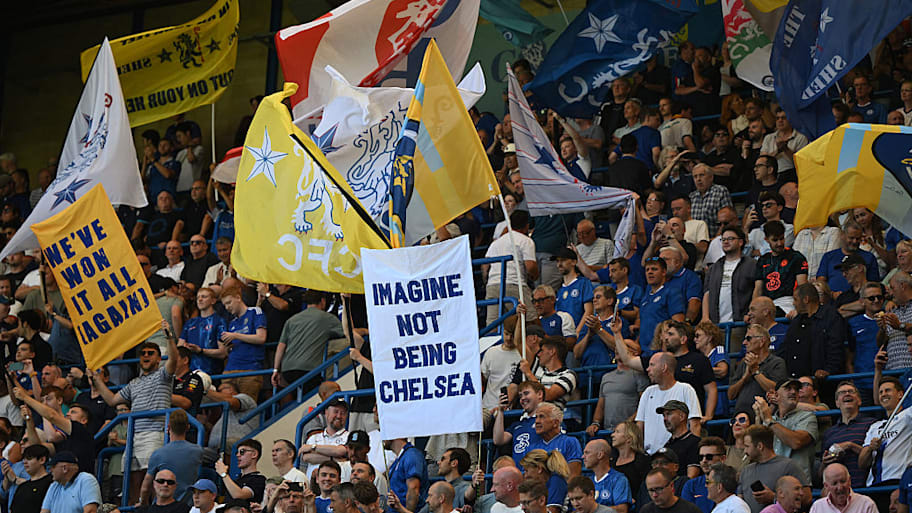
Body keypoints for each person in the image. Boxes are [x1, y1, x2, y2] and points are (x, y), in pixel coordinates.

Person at [88, 320, 179, 505]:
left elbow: (174, 360)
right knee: (132, 481)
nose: (146, 356)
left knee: (152, 479)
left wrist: (169, 336)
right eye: (143, 353)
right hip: (133, 436)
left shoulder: (163, 375)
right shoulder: (133, 383)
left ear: (158, 358)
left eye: (150, 353)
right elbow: (113, 400)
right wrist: (97, 379)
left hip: (154, 432)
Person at [273, 290, 346, 394]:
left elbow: (281, 346)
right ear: (322, 301)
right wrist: (366, 331)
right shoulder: (327, 318)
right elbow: (348, 333)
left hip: (287, 370)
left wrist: (276, 370)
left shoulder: (292, 320)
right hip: (310, 370)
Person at [633, 352, 702, 454]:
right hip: (650, 456)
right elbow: (639, 426)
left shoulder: (686, 389)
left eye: (652, 365)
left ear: (664, 367)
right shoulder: (648, 392)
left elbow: (695, 425)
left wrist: (693, 453)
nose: (648, 369)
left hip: (678, 454)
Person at [751, 379, 817, 484]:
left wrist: (769, 421)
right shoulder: (770, 420)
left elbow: (796, 442)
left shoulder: (807, 416)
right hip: (771, 482)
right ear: (776, 395)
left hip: (797, 485)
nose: (793, 392)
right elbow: (755, 452)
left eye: (796, 389)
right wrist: (758, 419)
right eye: (788, 388)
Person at [781, 283, 847, 379]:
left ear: (806, 299)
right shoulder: (797, 321)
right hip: (796, 381)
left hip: (821, 382)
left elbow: (835, 347)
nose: (793, 304)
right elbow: (786, 347)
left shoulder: (831, 317)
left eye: (795, 299)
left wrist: (828, 370)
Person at [483, 210, 538, 325]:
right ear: (527, 225)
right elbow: (530, 266)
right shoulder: (525, 241)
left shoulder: (496, 242)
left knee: (493, 327)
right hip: (514, 284)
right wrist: (534, 276)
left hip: (492, 285)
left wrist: (487, 281)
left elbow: (485, 266)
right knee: (530, 322)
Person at [738, 426, 808, 513]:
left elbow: (807, 499)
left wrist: (774, 498)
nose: (745, 451)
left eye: (747, 446)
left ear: (760, 446)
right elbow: (739, 501)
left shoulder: (789, 466)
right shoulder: (745, 471)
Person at [140, 410, 203, 506]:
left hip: (162, 507)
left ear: (168, 428)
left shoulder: (158, 454)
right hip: (188, 506)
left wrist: (143, 504)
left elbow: (146, 487)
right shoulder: (198, 451)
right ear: (188, 427)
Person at [821, 382, 876, 489]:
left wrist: (850, 445)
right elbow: (821, 473)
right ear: (837, 403)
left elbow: (878, 457)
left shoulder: (872, 425)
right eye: (842, 392)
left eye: (851, 391)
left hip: (865, 488)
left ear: (859, 401)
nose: (847, 394)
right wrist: (825, 462)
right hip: (838, 491)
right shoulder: (829, 433)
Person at [859, 377, 912, 486]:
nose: (883, 394)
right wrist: (870, 448)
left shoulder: (907, 416)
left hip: (898, 483)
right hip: (874, 485)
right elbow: (862, 463)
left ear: (900, 395)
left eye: (888, 390)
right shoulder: (874, 426)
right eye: (881, 392)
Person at [219, 285, 267, 400]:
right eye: (224, 304)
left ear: (238, 297)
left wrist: (235, 335)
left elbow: (261, 338)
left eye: (229, 302)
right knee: (227, 407)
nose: (227, 307)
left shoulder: (255, 312)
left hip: (249, 369)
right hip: (230, 370)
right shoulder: (232, 323)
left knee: (247, 406)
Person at [729, 325, 789, 415]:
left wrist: (755, 372)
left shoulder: (777, 362)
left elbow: (777, 390)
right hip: (741, 416)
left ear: (762, 341)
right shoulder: (744, 363)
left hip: (764, 416)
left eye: (748, 338)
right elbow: (730, 395)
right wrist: (744, 379)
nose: (744, 342)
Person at [753, 221, 808, 315]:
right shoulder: (763, 260)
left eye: (781, 239)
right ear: (766, 240)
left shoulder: (796, 257)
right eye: (775, 240)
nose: (779, 243)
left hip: (789, 303)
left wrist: (800, 308)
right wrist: (752, 311)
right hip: (767, 304)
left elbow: (802, 286)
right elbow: (758, 289)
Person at [703, 227, 756, 325]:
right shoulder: (714, 268)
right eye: (723, 239)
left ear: (740, 242)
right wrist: (705, 317)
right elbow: (707, 293)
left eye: (730, 239)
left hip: (741, 322)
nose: (726, 242)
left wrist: (751, 313)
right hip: (715, 324)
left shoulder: (752, 264)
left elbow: (757, 290)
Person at [817, 222, 880, 294]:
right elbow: (821, 281)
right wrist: (832, 294)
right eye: (851, 238)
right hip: (832, 300)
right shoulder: (828, 256)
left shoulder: (869, 257)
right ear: (842, 235)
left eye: (858, 238)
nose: (854, 241)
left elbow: (874, 284)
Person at [637, 258, 685, 352]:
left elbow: (678, 323)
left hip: (662, 350)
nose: (650, 272)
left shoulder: (671, 292)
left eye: (654, 269)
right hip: (644, 351)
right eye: (647, 270)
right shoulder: (645, 297)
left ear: (663, 272)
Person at [177, 287, 227, 375]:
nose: (200, 299)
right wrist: (185, 347)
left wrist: (201, 351)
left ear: (213, 301)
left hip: (211, 373)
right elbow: (180, 347)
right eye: (198, 297)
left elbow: (223, 353)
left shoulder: (219, 321)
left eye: (204, 297)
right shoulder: (190, 323)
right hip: (190, 374)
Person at [494, 380, 545, 465]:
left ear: (539, 394)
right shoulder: (517, 424)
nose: (523, 398)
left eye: (526, 393)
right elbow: (498, 440)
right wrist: (501, 411)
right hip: (519, 474)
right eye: (520, 396)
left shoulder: (549, 420)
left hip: (538, 472)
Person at [527, 402, 583, 476]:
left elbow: (574, 475)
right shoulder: (531, 448)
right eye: (536, 417)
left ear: (555, 423)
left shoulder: (570, 442)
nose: (537, 421)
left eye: (542, 417)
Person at [301, 397, 350, 477]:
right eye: (336, 412)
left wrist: (313, 448)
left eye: (343, 413)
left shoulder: (349, 437)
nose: (339, 416)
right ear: (326, 412)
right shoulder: (313, 438)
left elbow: (340, 451)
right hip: (313, 487)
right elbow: (307, 457)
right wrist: (334, 459)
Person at [582, 439, 630, 513]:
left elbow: (622, 510)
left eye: (587, 453)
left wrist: (593, 509)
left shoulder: (618, 479)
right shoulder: (587, 481)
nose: (583, 457)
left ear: (600, 455)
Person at [215, 439, 266, 508]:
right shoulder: (236, 480)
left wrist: (223, 474)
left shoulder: (259, 479)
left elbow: (239, 495)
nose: (238, 455)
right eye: (237, 452)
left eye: (242, 452)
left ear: (254, 454)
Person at [681, 438, 727, 513]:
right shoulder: (691, 485)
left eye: (709, 457)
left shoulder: (732, 483)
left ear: (723, 458)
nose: (704, 461)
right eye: (701, 457)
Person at [553, 247, 595, 330]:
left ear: (574, 262)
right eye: (557, 261)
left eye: (563, 260)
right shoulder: (560, 289)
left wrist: (578, 331)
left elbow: (589, 311)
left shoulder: (583, 283)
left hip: (579, 333)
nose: (559, 264)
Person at [809, 463, 877, 513]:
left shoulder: (866, 504)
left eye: (843, 481)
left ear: (849, 480)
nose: (840, 487)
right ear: (826, 486)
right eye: (834, 483)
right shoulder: (817, 507)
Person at [611, 420, 652, 502]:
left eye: (617, 432)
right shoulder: (611, 462)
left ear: (629, 438)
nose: (612, 435)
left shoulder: (643, 461)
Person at [385, 437, 429, 513]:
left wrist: (407, 511)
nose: (383, 438)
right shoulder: (401, 457)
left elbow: (413, 488)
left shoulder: (411, 455)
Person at [4, 444, 52, 513]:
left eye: (29, 458)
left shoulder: (51, 484)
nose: (25, 462)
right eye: (24, 459)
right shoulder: (22, 487)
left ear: (42, 460)